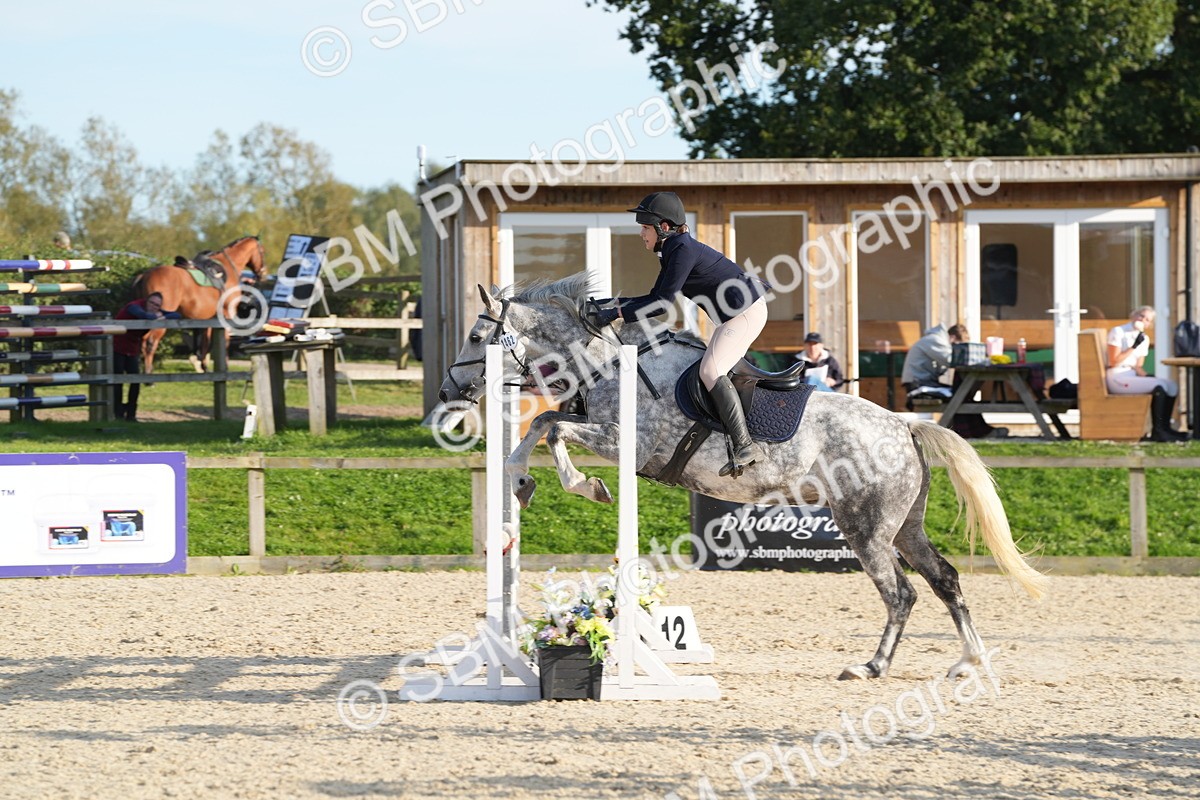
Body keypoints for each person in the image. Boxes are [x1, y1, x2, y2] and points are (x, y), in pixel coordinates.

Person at [589, 191, 770, 477]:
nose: (641, 234)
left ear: (663, 227)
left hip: (745, 313)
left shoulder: (682, 249)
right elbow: (654, 297)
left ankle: (745, 445)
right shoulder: (674, 249)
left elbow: (661, 305)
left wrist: (616, 313)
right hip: (735, 315)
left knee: (710, 371)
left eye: (645, 227)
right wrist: (612, 304)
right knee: (707, 369)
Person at [901, 323, 1007, 439]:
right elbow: (951, 360)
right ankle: (973, 433)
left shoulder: (935, 340)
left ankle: (977, 432)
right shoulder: (934, 340)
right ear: (952, 338)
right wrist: (980, 360)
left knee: (962, 395)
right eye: (958, 347)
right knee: (959, 396)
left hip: (925, 382)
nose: (958, 350)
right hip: (917, 385)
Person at [1107, 306, 1186, 442]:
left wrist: (1148, 376)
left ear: (1149, 324)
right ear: (1134, 316)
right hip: (1117, 375)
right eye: (1141, 316)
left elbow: (1138, 367)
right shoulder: (1118, 331)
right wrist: (1133, 346)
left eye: (1147, 319)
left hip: (1132, 374)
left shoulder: (1144, 338)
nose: (1143, 320)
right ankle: (1158, 431)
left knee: (1171, 386)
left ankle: (1165, 428)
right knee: (1159, 386)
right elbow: (1113, 361)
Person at [112, 292, 180, 422]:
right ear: (146, 301)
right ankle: (118, 412)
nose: (154, 306)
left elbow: (176, 315)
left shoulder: (156, 312)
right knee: (117, 381)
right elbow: (144, 316)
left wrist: (161, 315)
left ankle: (131, 413)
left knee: (136, 381)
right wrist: (158, 316)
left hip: (132, 349)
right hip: (117, 347)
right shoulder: (134, 306)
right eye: (152, 303)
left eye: (157, 305)